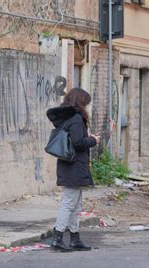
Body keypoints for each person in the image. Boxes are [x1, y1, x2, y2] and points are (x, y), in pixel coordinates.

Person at [46, 88, 101, 252]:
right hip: (74, 166)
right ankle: (58, 237)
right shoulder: (76, 119)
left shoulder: (67, 118)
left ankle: (75, 238)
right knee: (69, 203)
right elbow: (78, 142)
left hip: (70, 165)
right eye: (86, 103)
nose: (87, 106)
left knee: (76, 204)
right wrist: (93, 140)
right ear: (80, 102)